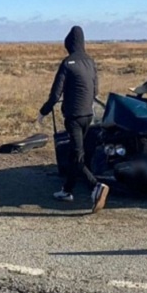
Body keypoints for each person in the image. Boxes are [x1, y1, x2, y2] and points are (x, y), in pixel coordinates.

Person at [37, 26, 109, 213]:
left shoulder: (67, 63)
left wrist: (43, 111)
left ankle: (96, 187)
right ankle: (67, 190)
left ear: (68, 43)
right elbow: (96, 91)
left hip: (74, 117)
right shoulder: (91, 62)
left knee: (78, 157)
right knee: (74, 153)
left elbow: (55, 95)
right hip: (88, 116)